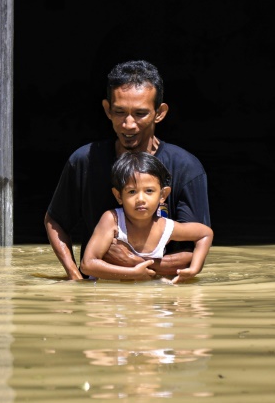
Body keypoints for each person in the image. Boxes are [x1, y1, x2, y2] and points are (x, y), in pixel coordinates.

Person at [44, 59, 210, 280]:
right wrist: (75, 277)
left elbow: (193, 254)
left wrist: (128, 261)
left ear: (159, 113)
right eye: (120, 112)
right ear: (107, 110)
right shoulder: (84, 161)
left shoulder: (186, 168)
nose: (129, 124)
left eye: (140, 113)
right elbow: (55, 220)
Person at [80, 152, 212, 283]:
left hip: (151, 298)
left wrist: (195, 268)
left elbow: (205, 234)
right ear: (119, 196)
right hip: (111, 297)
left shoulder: (165, 228)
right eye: (132, 191)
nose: (140, 199)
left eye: (149, 191)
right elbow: (87, 265)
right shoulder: (112, 220)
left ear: (163, 195)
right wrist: (133, 273)